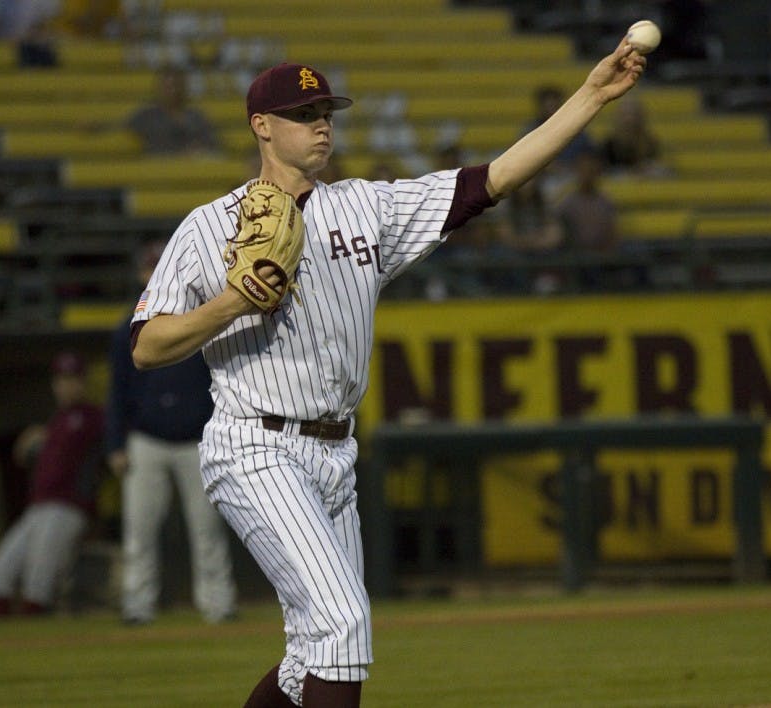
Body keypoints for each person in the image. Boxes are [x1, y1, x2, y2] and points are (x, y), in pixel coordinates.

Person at [130, 38, 646, 707]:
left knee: (313, 656)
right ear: (261, 126)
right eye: (302, 112)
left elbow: (492, 180)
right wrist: (234, 300)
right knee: (344, 624)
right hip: (255, 445)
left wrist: (592, 97)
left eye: (326, 111)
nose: (321, 123)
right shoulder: (208, 228)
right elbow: (146, 345)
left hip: (335, 450)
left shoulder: (365, 208)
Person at [106, 240, 238, 626]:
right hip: (146, 439)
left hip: (198, 439)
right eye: (148, 269)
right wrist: (115, 443)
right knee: (139, 530)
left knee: (207, 530)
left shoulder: (198, 315)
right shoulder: (129, 323)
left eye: (157, 268)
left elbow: (222, 381)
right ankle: (137, 605)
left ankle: (218, 604)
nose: (151, 276)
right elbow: (118, 391)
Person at [0, 351, 105, 617]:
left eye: (72, 378)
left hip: (68, 506)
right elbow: (23, 455)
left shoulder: (93, 416)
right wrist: (39, 436)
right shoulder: (58, 420)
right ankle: (0, 642)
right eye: (61, 379)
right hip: (39, 507)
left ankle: (34, 642)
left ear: (83, 382)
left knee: (38, 583)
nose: (66, 385)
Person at [126, 66, 221, 155]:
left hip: (191, 167)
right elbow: (124, 135)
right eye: (166, 86)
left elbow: (212, 144)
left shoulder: (196, 117)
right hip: (158, 167)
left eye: (175, 86)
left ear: (183, 88)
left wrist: (199, 149)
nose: (171, 91)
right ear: (158, 88)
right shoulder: (146, 116)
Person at [600, 94, 672, 178]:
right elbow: (605, 171)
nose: (630, 119)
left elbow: (654, 163)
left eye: (633, 114)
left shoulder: (650, 142)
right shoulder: (608, 144)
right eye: (625, 114)